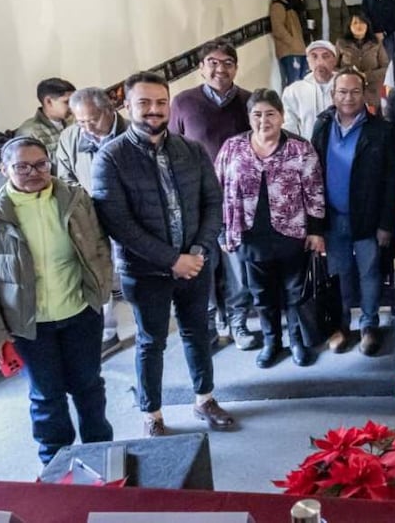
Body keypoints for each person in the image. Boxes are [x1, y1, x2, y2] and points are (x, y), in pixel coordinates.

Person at [92, 71, 234, 438]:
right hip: (145, 271)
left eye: (160, 102)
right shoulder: (111, 157)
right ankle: (152, 413)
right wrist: (173, 260)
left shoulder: (192, 149)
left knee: (197, 332)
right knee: (151, 341)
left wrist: (199, 250)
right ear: (127, 105)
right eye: (144, 103)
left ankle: (204, 399)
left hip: (196, 262)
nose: (154, 110)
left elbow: (213, 202)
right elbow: (119, 224)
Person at [0, 137, 114, 464]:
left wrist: (101, 289)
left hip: (79, 312)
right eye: (22, 166)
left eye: (40, 164)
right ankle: (55, 464)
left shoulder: (76, 199)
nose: (33, 172)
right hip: (28, 325)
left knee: (88, 387)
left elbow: (99, 247)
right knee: (46, 396)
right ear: (5, 169)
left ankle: (101, 454)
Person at [216, 89, 326, 369]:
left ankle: (297, 341)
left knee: (294, 292)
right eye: (257, 115)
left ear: (281, 116)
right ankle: (271, 342)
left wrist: (315, 230)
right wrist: (221, 229)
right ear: (249, 117)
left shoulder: (300, 148)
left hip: (291, 233)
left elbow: (314, 190)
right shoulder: (232, 148)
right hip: (250, 235)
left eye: (270, 114)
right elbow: (216, 190)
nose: (263, 121)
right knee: (262, 295)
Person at [169, 38, 259, 352]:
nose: (221, 69)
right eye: (213, 62)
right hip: (196, 202)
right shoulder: (183, 102)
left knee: (236, 265)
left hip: (236, 201)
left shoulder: (248, 101)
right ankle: (207, 324)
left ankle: (237, 322)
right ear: (201, 67)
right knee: (202, 265)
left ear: (236, 67)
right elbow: (171, 149)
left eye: (228, 63)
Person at [313, 69, 395, 355]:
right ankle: (339, 326)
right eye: (342, 92)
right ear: (332, 95)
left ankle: (368, 324)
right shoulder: (322, 126)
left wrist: (386, 224)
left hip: (369, 219)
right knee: (338, 275)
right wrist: (314, 225)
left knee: (369, 273)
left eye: (354, 91)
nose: (348, 97)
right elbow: (312, 176)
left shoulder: (382, 130)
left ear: (364, 94)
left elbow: (392, 181)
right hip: (333, 217)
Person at [55, 87, 128, 353]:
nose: (86, 128)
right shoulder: (70, 137)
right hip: (91, 216)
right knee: (98, 274)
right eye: (80, 121)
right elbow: (65, 178)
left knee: (134, 272)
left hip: (131, 216)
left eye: (92, 120)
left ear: (109, 110)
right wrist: (87, 202)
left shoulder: (131, 132)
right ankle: (108, 333)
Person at [283, 40, 340, 139]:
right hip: (308, 149)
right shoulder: (294, 91)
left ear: (335, 61)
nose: (320, 62)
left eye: (325, 56)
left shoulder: (345, 88)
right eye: (314, 57)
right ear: (308, 62)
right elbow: (289, 126)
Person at [336, 13, 389, 109]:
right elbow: (334, 67)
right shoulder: (341, 43)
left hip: (372, 91)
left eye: (362, 22)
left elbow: (386, 68)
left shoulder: (376, 42)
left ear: (367, 25)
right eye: (355, 23)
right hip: (348, 90)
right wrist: (348, 75)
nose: (358, 26)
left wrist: (367, 76)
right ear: (349, 26)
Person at [16, 77, 76, 160]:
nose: (72, 106)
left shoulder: (77, 123)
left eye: (74, 101)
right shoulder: (30, 132)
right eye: (67, 102)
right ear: (48, 102)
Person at [270, 0, 310, 86]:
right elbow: (278, 29)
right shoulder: (278, 5)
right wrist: (292, 42)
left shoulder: (290, 5)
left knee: (303, 81)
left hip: (299, 50)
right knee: (293, 83)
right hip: (290, 52)